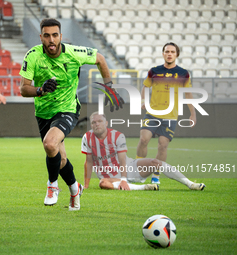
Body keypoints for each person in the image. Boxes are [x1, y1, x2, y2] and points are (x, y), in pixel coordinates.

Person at [19, 18, 124, 211]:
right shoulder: (32, 56)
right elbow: (24, 89)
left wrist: (109, 87)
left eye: (55, 35)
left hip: (68, 109)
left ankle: (52, 186)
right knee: (60, 158)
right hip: (43, 112)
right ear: (41, 37)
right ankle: (75, 189)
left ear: (61, 36)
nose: (51, 40)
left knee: (50, 144)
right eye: (47, 35)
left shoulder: (74, 53)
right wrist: (40, 90)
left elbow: (100, 58)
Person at [82, 112, 205, 191]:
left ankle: (190, 184)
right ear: (91, 125)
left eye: (99, 121)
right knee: (103, 184)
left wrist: (124, 179)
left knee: (155, 162)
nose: (97, 124)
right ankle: (144, 187)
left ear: (106, 123)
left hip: (128, 168)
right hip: (108, 176)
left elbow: (122, 159)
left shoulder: (117, 136)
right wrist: (86, 185)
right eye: (93, 122)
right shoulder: (87, 138)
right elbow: (88, 162)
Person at [136, 42, 197, 184]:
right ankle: (138, 170)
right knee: (144, 139)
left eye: (172, 52)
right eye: (167, 51)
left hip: (170, 115)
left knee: (162, 145)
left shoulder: (183, 73)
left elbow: (188, 94)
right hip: (152, 113)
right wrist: (142, 101)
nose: (169, 54)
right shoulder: (154, 71)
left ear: (176, 54)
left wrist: (193, 114)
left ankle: (156, 176)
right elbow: (145, 86)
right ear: (163, 53)